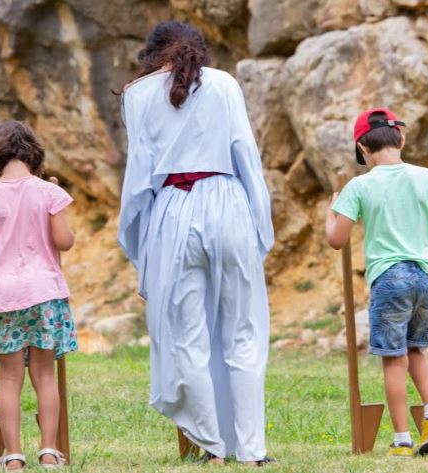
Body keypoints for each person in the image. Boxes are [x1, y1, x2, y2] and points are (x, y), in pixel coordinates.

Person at [117, 21, 274, 466]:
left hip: (173, 208)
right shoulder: (224, 84)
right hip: (229, 201)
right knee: (244, 332)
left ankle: (211, 445)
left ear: (152, 54)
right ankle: (252, 451)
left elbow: (138, 178)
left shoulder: (136, 94)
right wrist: (259, 227)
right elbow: (246, 155)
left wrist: (138, 244)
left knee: (187, 337)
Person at [325, 108, 428, 458]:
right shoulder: (425, 177)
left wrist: (330, 215)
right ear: (402, 138)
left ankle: (402, 439)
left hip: (389, 278)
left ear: (362, 148)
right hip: (427, 277)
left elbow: (337, 239)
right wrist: (420, 219)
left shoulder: (359, 185)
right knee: (418, 349)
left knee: (394, 359)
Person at [0, 120, 78, 471]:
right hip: (44, 294)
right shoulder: (49, 192)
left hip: (3, 297)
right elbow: (65, 242)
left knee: (9, 378)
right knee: (45, 375)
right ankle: (49, 451)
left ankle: (13, 455)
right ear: (34, 154)